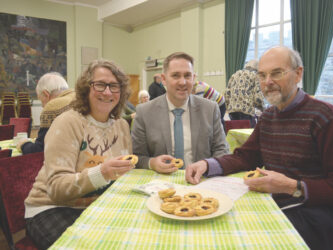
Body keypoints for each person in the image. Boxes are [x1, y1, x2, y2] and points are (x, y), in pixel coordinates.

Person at [186, 46, 333, 250]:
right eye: (262, 75)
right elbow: (245, 158)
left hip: (318, 217)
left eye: (276, 73)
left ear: (298, 74)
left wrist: (291, 186)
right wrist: (206, 164)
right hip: (278, 205)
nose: (267, 82)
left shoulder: (325, 117)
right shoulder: (269, 117)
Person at [25, 59, 135, 249]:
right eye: (100, 85)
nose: (107, 92)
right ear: (86, 88)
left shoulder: (122, 126)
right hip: (51, 207)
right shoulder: (68, 122)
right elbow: (57, 189)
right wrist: (102, 173)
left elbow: (122, 175)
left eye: (114, 86)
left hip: (95, 206)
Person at [132, 52, 229, 174]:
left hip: (201, 181)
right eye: (175, 76)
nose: (182, 82)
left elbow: (222, 150)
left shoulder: (210, 109)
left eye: (187, 76)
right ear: (164, 79)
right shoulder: (144, 112)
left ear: (193, 78)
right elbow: (137, 157)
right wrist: (152, 163)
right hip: (159, 183)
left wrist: (207, 165)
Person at [16, 72, 75, 154]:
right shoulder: (80, 97)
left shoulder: (53, 106)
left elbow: (40, 150)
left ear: (46, 94)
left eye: (41, 101)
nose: (43, 107)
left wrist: (23, 144)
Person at [224, 60, 265, 127]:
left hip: (232, 111)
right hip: (246, 111)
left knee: (236, 134)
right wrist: (263, 109)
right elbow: (258, 98)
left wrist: (228, 108)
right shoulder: (254, 76)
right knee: (248, 135)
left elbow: (227, 94)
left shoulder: (235, 75)